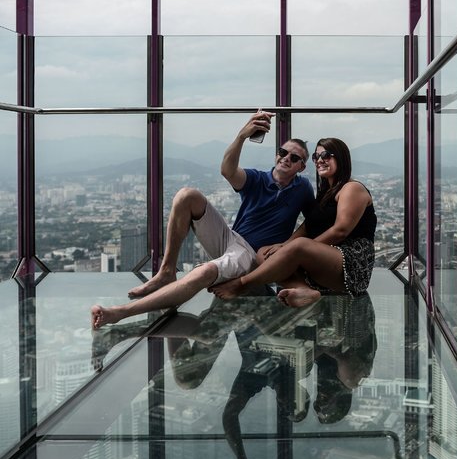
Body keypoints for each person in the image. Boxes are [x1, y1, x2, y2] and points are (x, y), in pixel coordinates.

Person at [90, 111, 314, 328]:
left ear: (302, 167)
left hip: (251, 255)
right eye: (282, 152)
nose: (286, 158)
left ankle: (120, 312)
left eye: (294, 158)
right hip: (231, 239)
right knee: (187, 196)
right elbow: (228, 170)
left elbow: (314, 221)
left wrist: (287, 247)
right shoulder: (258, 179)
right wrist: (242, 136)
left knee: (205, 272)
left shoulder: (303, 188)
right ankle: (167, 271)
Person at [209, 137, 377, 308]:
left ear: (341, 158)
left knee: (300, 246)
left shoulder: (351, 188)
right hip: (328, 258)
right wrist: (284, 245)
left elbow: (341, 230)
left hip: (353, 262)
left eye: (326, 155)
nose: (320, 160)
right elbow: (308, 226)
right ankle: (303, 290)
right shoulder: (325, 193)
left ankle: (241, 284)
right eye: (316, 156)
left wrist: (296, 248)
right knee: (264, 252)